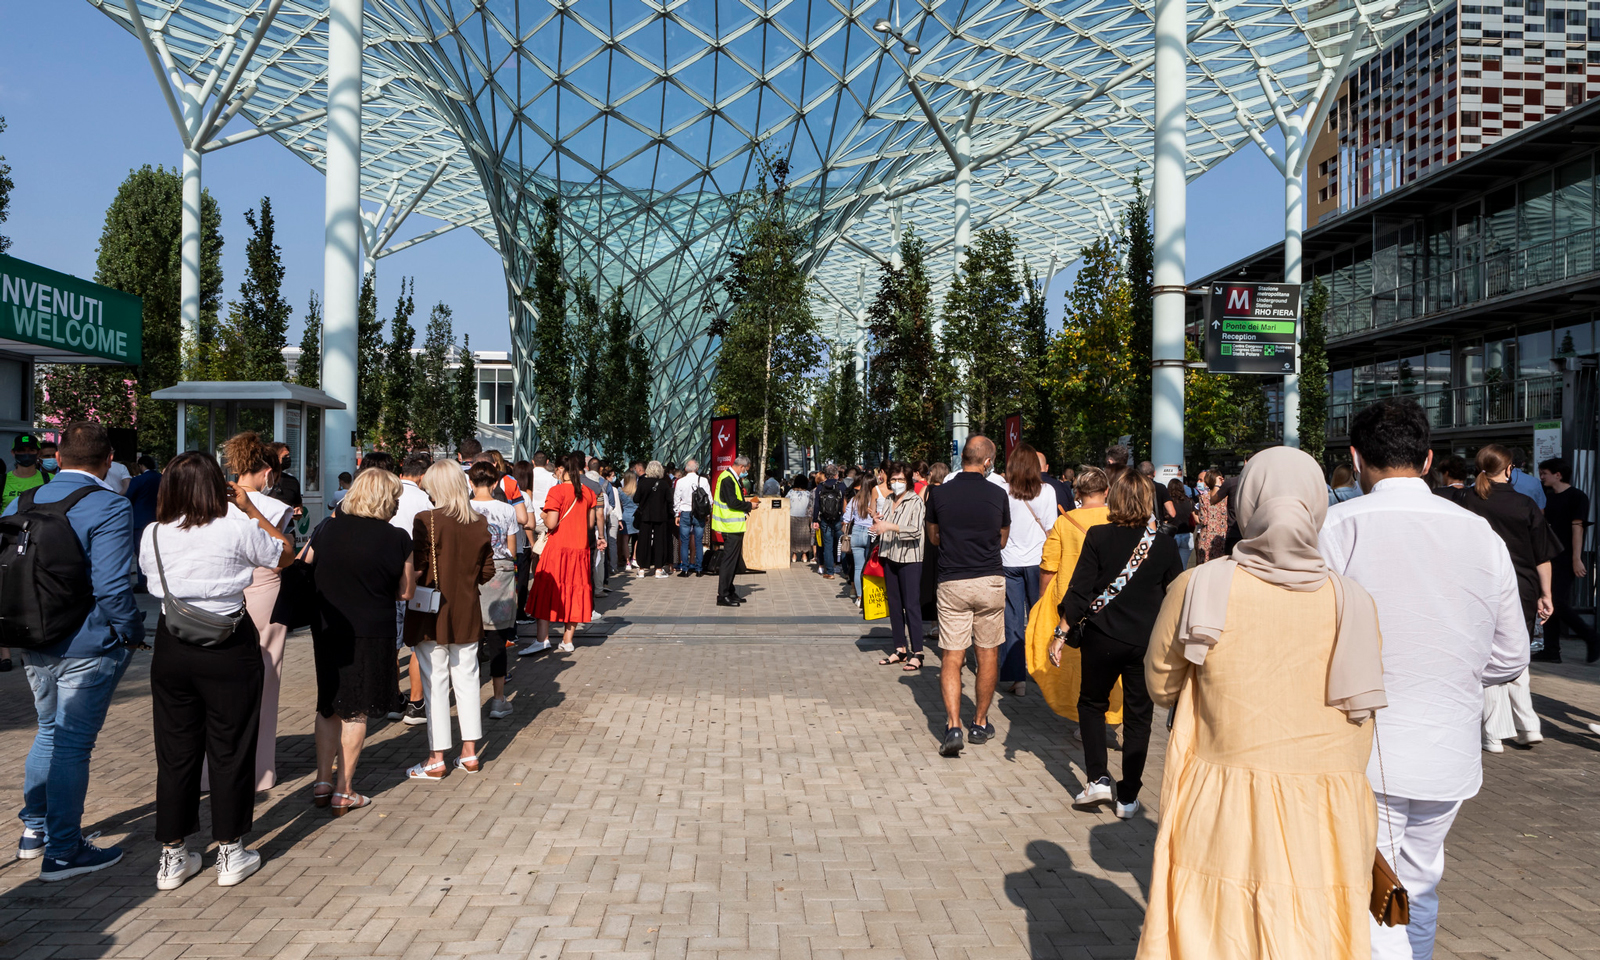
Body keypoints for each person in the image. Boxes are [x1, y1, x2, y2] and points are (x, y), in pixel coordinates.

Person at [1139, 446, 1387, 959]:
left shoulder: (1199, 585)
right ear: (1317, 505)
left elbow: (1161, 687)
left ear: (1246, 504)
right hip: (1327, 815)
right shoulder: (1354, 601)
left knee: (1217, 932)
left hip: (1222, 800)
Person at [1318, 397, 1529, 960]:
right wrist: (1450, 672)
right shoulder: (1480, 534)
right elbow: (1511, 655)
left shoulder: (1337, 527)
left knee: (1369, 884)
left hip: (1361, 738)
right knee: (1418, 882)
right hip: (1449, 744)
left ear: (1356, 458)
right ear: (1429, 459)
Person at [141, 450, 295, 889]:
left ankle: (172, 855)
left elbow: (151, 581)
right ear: (217, 485)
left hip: (173, 643)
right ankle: (230, 849)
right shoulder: (235, 526)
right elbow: (284, 554)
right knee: (231, 746)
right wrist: (250, 510)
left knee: (175, 751)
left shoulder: (154, 532)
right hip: (228, 641)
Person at [9, 422, 144, 881]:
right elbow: (112, 586)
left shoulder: (22, 501)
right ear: (109, 461)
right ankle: (64, 851)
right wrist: (131, 631)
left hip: (34, 638)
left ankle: (34, 830)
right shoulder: (109, 505)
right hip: (87, 642)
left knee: (48, 731)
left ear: (58, 457)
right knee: (72, 744)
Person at [1051, 469, 1183, 815]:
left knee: (1092, 704)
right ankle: (1128, 797)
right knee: (1139, 717)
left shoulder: (1098, 536)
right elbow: (1177, 594)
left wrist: (1060, 633)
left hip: (1102, 636)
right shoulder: (1165, 543)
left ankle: (1097, 779)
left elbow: (1080, 590)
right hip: (1146, 642)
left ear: (1115, 498)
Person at [304, 468, 414, 815]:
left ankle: (322, 781)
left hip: (327, 626)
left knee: (328, 703)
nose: (397, 504)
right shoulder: (397, 538)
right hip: (371, 628)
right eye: (394, 498)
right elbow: (405, 592)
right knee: (356, 709)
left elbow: (303, 565)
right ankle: (344, 789)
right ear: (385, 500)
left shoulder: (327, 529)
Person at [1458, 444, 1557, 752]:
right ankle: (1527, 724)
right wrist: (1546, 594)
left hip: (1478, 585)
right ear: (1510, 469)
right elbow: (1542, 556)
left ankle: (1493, 733)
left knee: (1486, 655)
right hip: (1522, 587)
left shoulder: (1465, 500)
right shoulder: (1524, 504)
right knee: (1517, 653)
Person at [403, 461, 494, 780]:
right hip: (467, 610)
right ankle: (469, 753)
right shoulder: (478, 521)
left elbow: (418, 568)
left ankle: (436, 758)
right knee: (468, 681)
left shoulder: (425, 519)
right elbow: (487, 571)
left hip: (432, 612)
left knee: (436, 684)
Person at [926, 436, 1011, 757]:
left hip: (953, 581)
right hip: (989, 580)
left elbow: (934, 537)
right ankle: (979, 722)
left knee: (952, 656)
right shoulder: (998, 494)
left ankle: (953, 725)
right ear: (987, 462)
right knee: (987, 654)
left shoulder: (938, 493)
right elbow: (1002, 540)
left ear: (963, 458)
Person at [221, 432, 295, 791]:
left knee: (221, 680)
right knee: (266, 676)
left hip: (222, 592)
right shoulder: (274, 508)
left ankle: (212, 768)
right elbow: (283, 555)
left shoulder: (215, 500)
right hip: (264, 593)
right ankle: (258, 770)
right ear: (267, 471)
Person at [1024, 467, 1115, 728]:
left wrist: (1043, 599)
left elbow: (1049, 565)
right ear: (1106, 491)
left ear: (1077, 492)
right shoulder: (1117, 518)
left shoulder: (1065, 522)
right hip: (1111, 598)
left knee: (1076, 662)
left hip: (1072, 601)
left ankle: (1084, 719)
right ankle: (1113, 716)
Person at [992, 443, 1056, 696]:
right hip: (1039, 563)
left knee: (1013, 620)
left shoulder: (1002, 491)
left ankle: (1018, 679)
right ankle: (1042, 671)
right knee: (1040, 618)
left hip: (1008, 562)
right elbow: (1051, 529)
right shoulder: (1047, 491)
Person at [526, 453, 599, 653]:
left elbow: (551, 523)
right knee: (575, 591)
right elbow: (590, 523)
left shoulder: (556, 491)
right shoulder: (588, 492)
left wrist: (543, 515)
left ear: (560, 469)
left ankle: (542, 639)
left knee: (547, 589)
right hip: (580, 550)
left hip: (557, 549)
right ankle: (568, 640)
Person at [467, 463, 519, 720]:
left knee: (470, 640)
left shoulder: (464, 509)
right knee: (497, 639)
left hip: (470, 573)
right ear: (496, 483)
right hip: (500, 572)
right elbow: (512, 549)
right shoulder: (507, 509)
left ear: (470, 482)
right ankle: (498, 699)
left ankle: (469, 701)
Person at [1538, 455, 1600, 663]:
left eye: (1545, 473)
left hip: (1565, 557)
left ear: (1558, 475)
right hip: (1549, 556)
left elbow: (1578, 529)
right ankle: (1551, 651)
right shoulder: (1547, 497)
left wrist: (1576, 558)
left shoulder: (1577, 497)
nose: (1541, 477)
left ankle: (1591, 637)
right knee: (1549, 601)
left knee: (1557, 601)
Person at [390, 453, 434, 723]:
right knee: (418, 642)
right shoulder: (425, 500)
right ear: (423, 476)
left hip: (387, 579)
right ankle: (416, 703)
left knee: (391, 644)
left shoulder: (387, 496)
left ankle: (393, 699)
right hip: (417, 578)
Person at [871, 462, 927, 670]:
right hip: (889, 555)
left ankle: (918, 652)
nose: (896, 483)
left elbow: (915, 530)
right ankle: (900, 648)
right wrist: (877, 522)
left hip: (910, 558)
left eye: (901, 479)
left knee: (911, 605)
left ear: (909, 481)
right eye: (893, 479)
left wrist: (890, 526)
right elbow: (884, 525)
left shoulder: (915, 501)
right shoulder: (888, 500)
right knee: (894, 604)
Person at [713, 455, 754, 606]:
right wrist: (749, 506)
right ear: (742, 467)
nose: (746, 473)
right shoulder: (727, 479)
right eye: (746, 469)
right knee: (729, 561)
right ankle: (723, 595)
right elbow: (732, 502)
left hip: (734, 526)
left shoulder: (731, 478)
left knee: (733, 561)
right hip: (730, 526)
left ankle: (730, 591)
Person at [125, 454, 162, 592]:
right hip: (159, 518)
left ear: (141, 465)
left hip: (140, 520)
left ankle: (143, 582)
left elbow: (129, 497)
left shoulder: (138, 480)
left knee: (141, 551)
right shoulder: (161, 478)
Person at [633, 461, 675, 577]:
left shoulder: (643, 482)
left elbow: (636, 499)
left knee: (643, 541)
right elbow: (669, 501)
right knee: (660, 541)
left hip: (645, 516)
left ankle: (642, 569)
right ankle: (658, 569)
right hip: (660, 516)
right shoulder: (664, 484)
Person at [673, 458, 711, 575]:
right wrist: (707, 514)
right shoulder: (703, 480)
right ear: (697, 469)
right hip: (699, 514)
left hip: (685, 513)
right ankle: (699, 568)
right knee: (698, 542)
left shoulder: (680, 481)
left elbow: (676, 499)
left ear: (685, 469)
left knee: (684, 542)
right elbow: (709, 499)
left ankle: (684, 569)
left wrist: (677, 514)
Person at [812, 463, 849, 579]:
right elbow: (846, 503)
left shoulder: (820, 487)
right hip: (839, 519)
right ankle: (846, 571)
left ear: (826, 475)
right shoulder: (841, 486)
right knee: (843, 543)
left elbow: (816, 505)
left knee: (827, 545)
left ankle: (830, 572)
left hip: (825, 520)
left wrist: (815, 520)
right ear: (836, 474)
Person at [844, 479, 875, 604]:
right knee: (868, 567)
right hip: (870, 532)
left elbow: (846, 518)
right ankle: (868, 596)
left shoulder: (854, 499)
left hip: (856, 532)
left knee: (858, 567)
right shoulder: (875, 500)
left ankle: (859, 597)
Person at [1192, 469, 1230, 565]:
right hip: (1223, 537)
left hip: (1207, 538)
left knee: (1204, 567)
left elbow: (1203, 520)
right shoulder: (1227, 497)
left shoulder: (1204, 498)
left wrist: (1194, 513)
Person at [3, 433, 49, 511]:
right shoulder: (2, 481)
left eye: (31, 450)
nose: (26, 454)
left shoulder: (51, 479)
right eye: (21, 450)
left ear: (38, 453)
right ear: (13, 453)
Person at [266, 441, 303, 513]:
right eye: (285, 456)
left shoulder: (292, 481)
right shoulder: (261, 480)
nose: (288, 458)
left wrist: (298, 511)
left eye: (288, 455)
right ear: (274, 458)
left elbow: (298, 505)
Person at [1165, 479, 1194, 568]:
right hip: (1187, 536)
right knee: (1183, 566)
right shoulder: (1189, 501)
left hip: (1172, 536)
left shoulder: (1168, 503)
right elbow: (1195, 519)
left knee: (1170, 566)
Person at [787, 474, 813, 563]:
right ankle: (804, 555)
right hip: (805, 517)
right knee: (805, 536)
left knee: (793, 536)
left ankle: (794, 554)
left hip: (792, 516)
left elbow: (786, 503)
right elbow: (810, 507)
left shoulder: (791, 492)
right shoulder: (808, 493)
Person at [617, 471, 639, 572]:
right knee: (637, 538)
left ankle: (627, 562)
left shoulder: (620, 491)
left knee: (625, 540)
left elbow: (619, 504)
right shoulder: (637, 490)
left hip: (625, 515)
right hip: (636, 515)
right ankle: (634, 557)